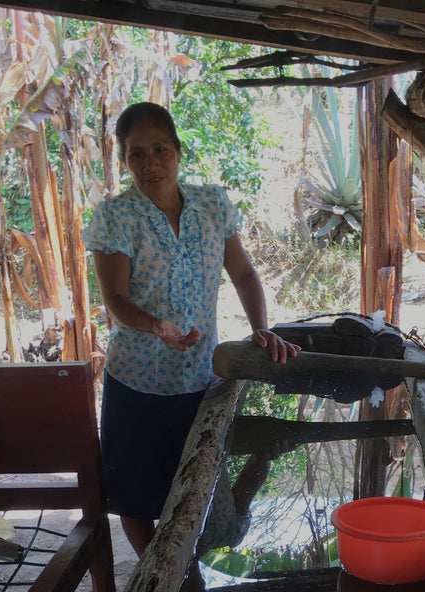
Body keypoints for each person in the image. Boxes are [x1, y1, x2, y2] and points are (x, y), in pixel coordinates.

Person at [83, 101, 299, 557]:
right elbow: (116, 301)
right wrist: (154, 325)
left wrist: (262, 328)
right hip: (137, 384)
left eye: (159, 149)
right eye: (136, 154)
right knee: (137, 499)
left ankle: (187, 569)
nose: (150, 164)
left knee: (207, 505)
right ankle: (163, 582)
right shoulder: (115, 217)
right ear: (125, 161)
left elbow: (243, 274)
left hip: (201, 381)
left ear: (178, 152)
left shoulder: (212, 205)